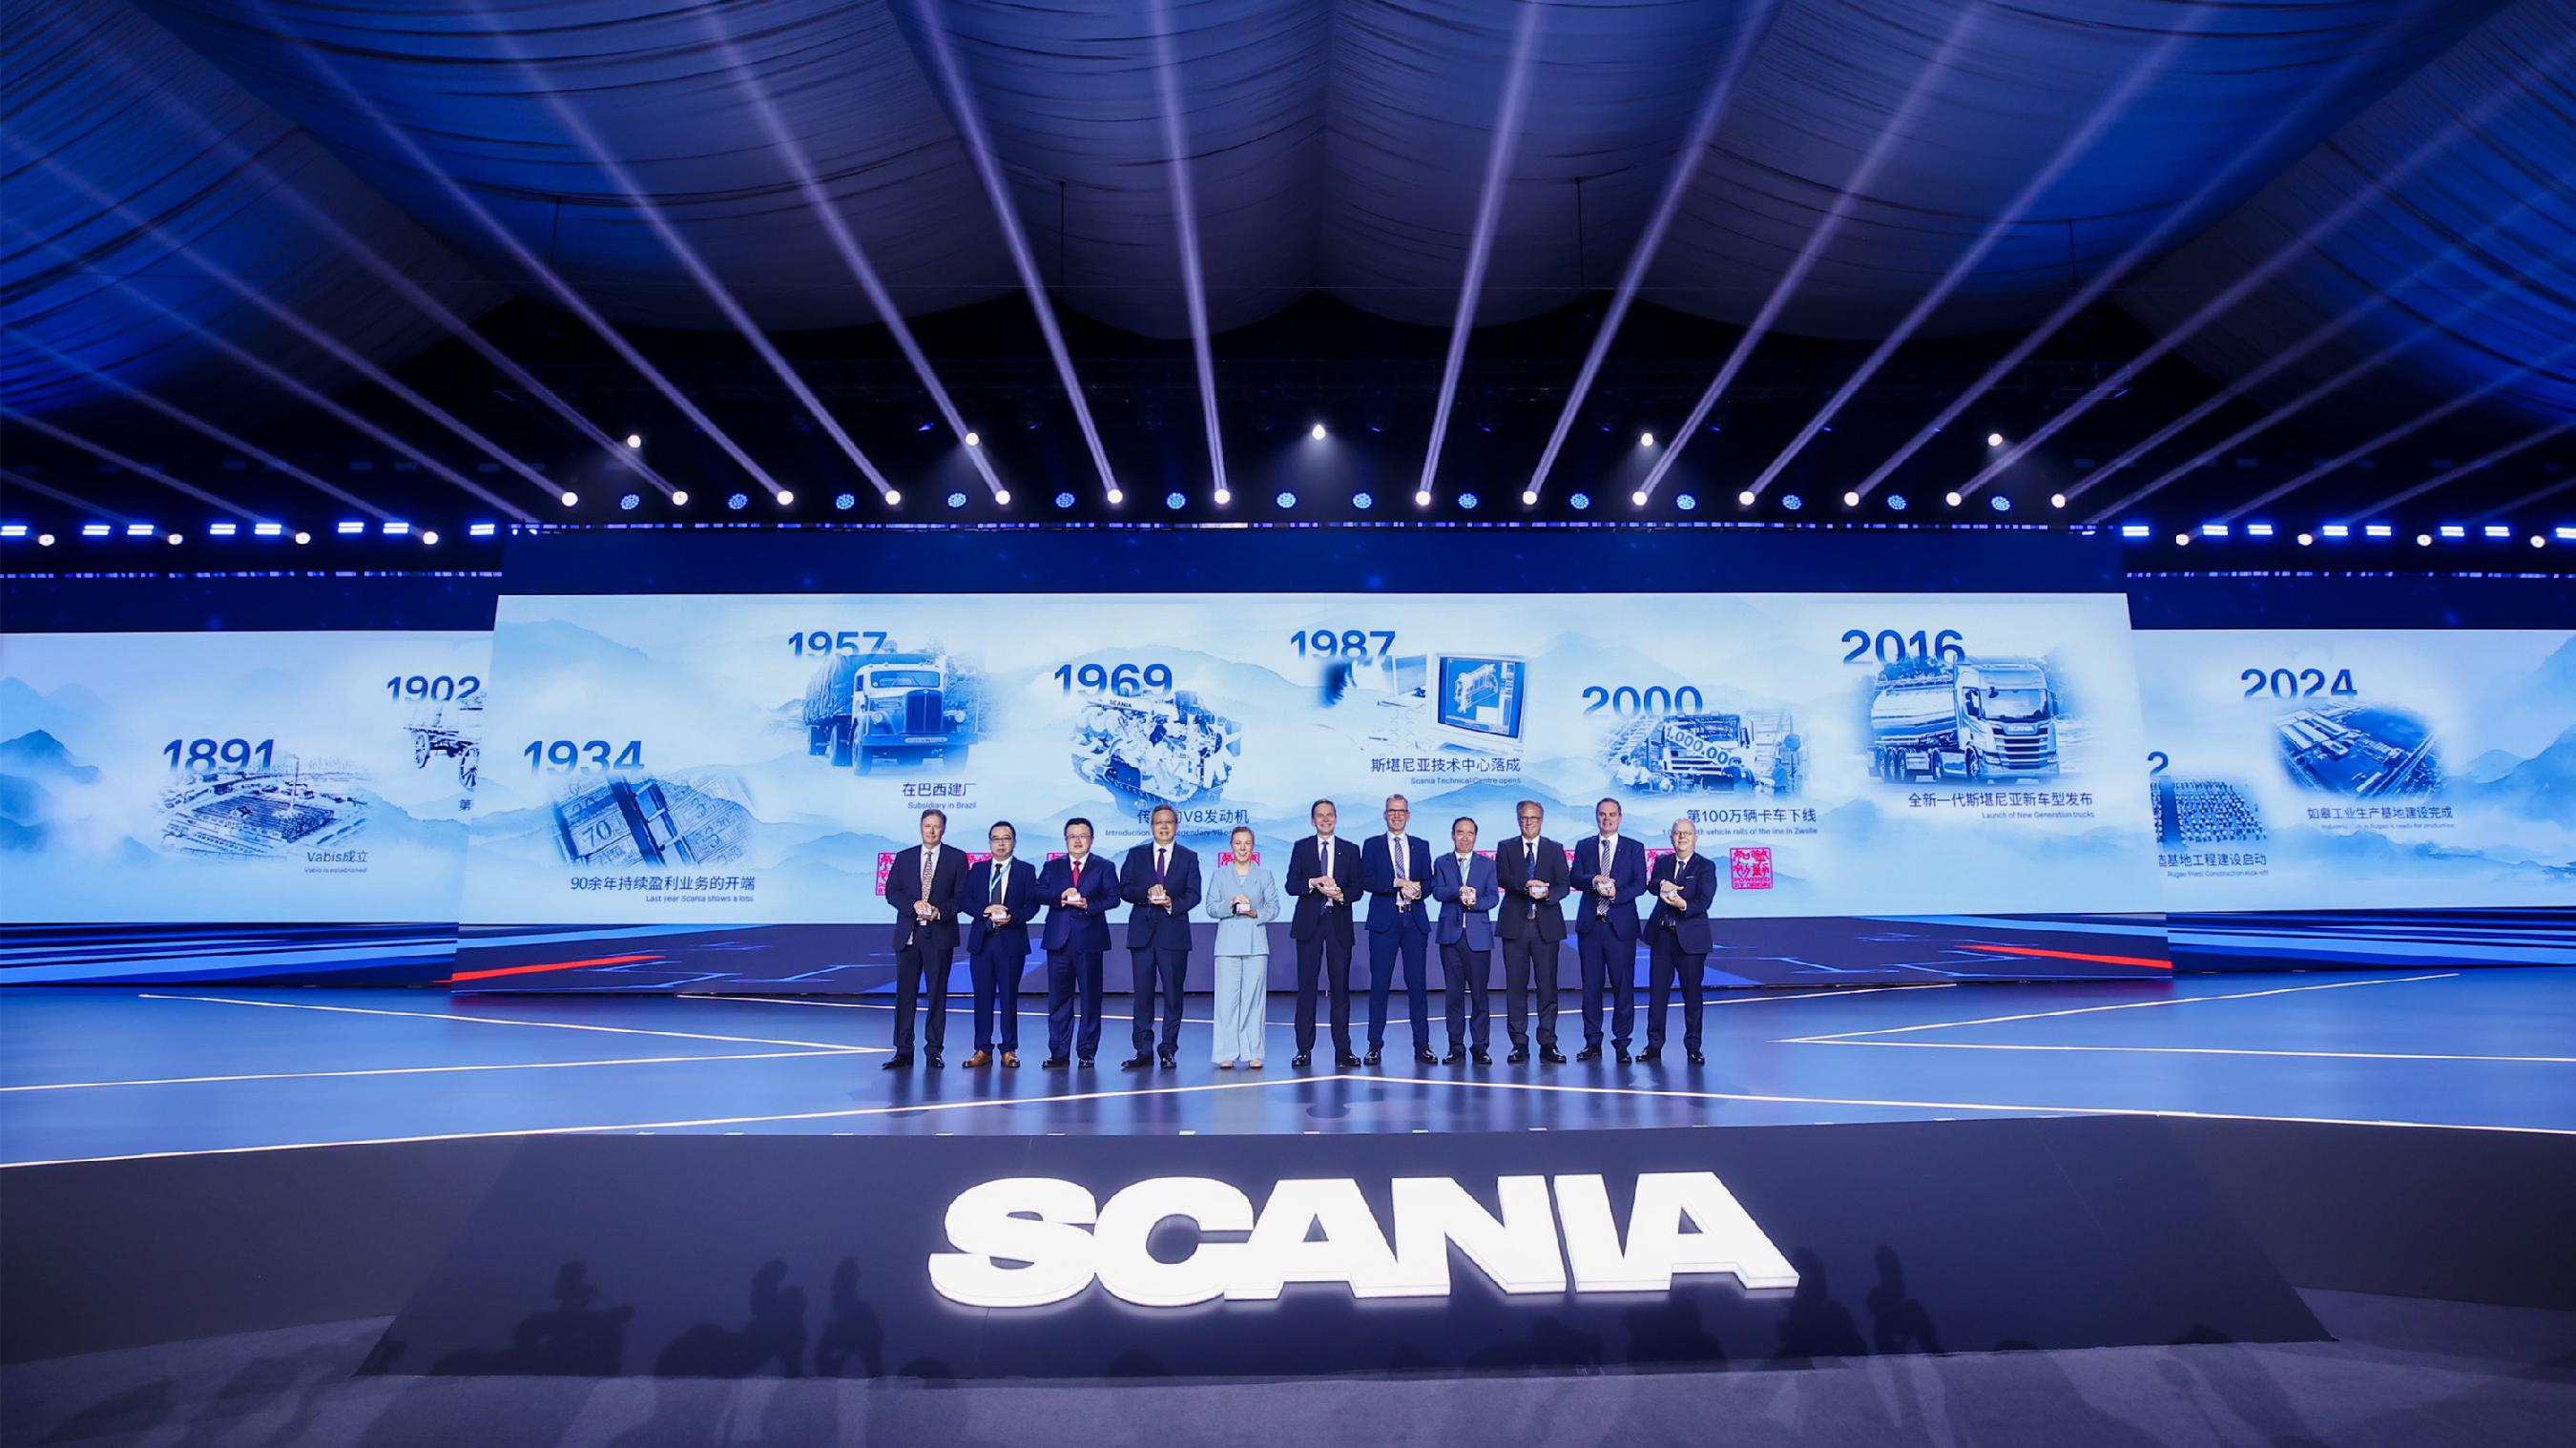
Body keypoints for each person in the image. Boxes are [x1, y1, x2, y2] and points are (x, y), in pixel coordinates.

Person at [1119, 804, 1201, 1069]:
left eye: (1168, 822)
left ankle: (1168, 1049)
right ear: (1151, 826)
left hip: (1174, 934)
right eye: (1158, 822)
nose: (1163, 827)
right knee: (1142, 995)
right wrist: (1147, 893)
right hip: (1142, 934)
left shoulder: (1189, 857)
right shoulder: (1136, 855)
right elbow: (1124, 889)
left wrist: (1170, 903)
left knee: (1173, 995)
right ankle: (1143, 1050)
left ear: (1177, 826)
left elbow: (1194, 894)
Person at [1283, 798, 1362, 1068]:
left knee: (1340, 989)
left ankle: (1343, 1050)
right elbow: (1291, 885)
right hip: (1309, 925)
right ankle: (1303, 1049)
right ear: (1312, 820)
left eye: (1329, 815)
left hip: (1338, 923)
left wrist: (1341, 894)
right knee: (1307, 988)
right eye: (1320, 815)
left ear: (1336, 818)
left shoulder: (1350, 850)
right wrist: (1312, 882)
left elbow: (1357, 888)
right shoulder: (1301, 847)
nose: (1325, 819)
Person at [884, 807, 965, 1069]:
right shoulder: (904, 857)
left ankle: (934, 1051)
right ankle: (903, 1051)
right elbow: (892, 891)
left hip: (939, 935)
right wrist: (913, 905)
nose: (931, 831)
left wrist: (939, 912)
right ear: (920, 827)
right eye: (927, 825)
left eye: (936, 826)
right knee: (905, 995)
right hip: (909, 935)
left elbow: (961, 898)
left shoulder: (956, 858)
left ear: (944, 829)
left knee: (937, 995)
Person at [1493, 798, 1570, 1064]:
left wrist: (1547, 894)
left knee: (1547, 987)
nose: (1528, 823)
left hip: (1545, 927)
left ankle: (1548, 1042)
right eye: (1524, 818)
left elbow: (1564, 884)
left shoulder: (1554, 848)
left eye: (1533, 818)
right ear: (1518, 820)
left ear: (1541, 820)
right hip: (1515, 926)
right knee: (1515, 988)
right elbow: (1502, 877)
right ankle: (1519, 1043)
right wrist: (1527, 884)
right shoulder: (1506, 847)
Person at [957, 819, 1039, 1067]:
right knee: (982, 997)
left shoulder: (1026, 870)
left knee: (1008, 997)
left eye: (1006, 838)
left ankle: (1009, 1048)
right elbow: (964, 900)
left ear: (1014, 842)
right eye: (996, 839)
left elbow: (1032, 905)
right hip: (982, 942)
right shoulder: (978, 869)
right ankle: (982, 1048)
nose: (1001, 843)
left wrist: (1012, 917)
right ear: (989, 843)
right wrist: (984, 910)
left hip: (1011, 942)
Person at [1036, 817, 1117, 1068]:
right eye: (1073, 836)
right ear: (1066, 840)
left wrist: (1088, 905)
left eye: (1083, 836)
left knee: (1091, 999)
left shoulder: (1104, 866)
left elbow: (1113, 898)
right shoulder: (1052, 866)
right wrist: (1059, 897)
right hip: (1058, 941)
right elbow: (1038, 892)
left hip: (1090, 940)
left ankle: (1087, 1052)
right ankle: (1059, 1052)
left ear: (1091, 839)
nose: (1078, 840)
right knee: (1058, 1000)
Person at [1361, 794, 1436, 1065]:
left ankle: (1422, 1045)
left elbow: (1429, 882)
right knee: (1379, 984)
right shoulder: (1372, 845)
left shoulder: (1421, 845)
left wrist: (1419, 890)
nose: (1396, 815)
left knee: (1417, 985)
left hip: (1414, 922)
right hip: (1384, 922)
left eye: (1401, 811)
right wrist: (1395, 883)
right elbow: (1366, 880)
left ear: (1408, 815)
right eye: (1392, 811)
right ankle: (1374, 1045)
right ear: (1385, 815)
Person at [1569, 796, 1645, 1062]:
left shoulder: (1634, 847)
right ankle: (1592, 1042)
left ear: (1620, 817)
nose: (1607, 819)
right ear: (1597, 817)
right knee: (1591, 987)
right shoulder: (1584, 846)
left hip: (1620, 928)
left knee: (1623, 988)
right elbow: (1574, 877)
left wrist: (1616, 894)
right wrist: (1593, 881)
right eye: (1602, 814)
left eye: (1612, 814)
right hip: (1591, 927)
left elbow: (1640, 884)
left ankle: (1622, 1043)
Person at [1203, 825, 1278, 1068]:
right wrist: (1231, 903)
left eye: (1247, 843)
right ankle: (1226, 1052)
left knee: (1254, 1001)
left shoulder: (1264, 875)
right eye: (1238, 843)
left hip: (1256, 943)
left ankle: (1253, 1052)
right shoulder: (1220, 875)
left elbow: (1274, 907)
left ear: (1253, 846)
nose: (1242, 848)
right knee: (1226, 1001)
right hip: (1227, 945)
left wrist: (1257, 913)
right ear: (1231, 847)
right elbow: (1211, 907)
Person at [1642, 815, 1716, 1065]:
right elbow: (1652, 885)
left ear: (1695, 837)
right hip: (1662, 937)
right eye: (1677, 833)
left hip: (1691, 941)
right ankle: (1654, 1046)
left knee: (1692, 995)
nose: (1682, 836)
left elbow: (1704, 901)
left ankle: (1693, 1047)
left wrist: (1683, 904)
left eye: (1687, 833)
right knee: (1657, 995)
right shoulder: (1662, 862)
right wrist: (1662, 883)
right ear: (1671, 837)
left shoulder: (1705, 866)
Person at [1429, 815, 1499, 1065]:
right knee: (1454, 995)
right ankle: (1455, 1047)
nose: (1465, 838)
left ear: (1475, 837)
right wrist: (1458, 892)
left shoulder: (1487, 865)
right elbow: (1437, 892)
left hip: (1478, 938)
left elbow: (1493, 897)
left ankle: (1480, 1046)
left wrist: (1475, 902)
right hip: (1451, 936)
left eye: (1470, 833)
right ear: (1453, 835)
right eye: (1460, 832)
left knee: (1480, 995)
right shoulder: (1442, 862)